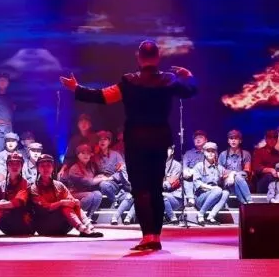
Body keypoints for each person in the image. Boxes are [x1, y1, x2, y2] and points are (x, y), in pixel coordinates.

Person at [61, 39, 198, 251]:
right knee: (155, 188)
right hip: (159, 140)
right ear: (158, 57)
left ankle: (148, 237)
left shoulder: (129, 82)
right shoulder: (168, 80)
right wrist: (188, 75)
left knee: (140, 189)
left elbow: (101, 96)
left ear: (138, 58)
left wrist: (76, 88)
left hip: (136, 141)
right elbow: (190, 91)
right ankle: (155, 237)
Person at [30, 154, 104, 237]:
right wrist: (61, 203)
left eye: (48, 165)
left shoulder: (59, 185)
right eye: (42, 166)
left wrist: (75, 202)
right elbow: (45, 207)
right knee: (64, 205)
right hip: (44, 225)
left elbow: (70, 200)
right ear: (38, 168)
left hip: (62, 225)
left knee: (73, 203)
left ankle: (88, 226)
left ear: (53, 167)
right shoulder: (34, 188)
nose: (45, 168)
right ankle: (83, 229)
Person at [188, 142, 231, 224]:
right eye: (208, 151)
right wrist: (212, 188)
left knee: (226, 193)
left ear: (216, 153)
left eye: (213, 151)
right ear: (204, 152)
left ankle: (211, 216)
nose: (211, 153)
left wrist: (232, 175)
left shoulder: (219, 168)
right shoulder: (199, 166)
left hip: (215, 197)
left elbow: (228, 175)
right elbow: (197, 183)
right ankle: (201, 214)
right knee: (218, 190)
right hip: (201, 197)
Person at [63, 143, 105, 222]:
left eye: (88, 153)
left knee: (98, 194)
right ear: (78, 155)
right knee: (90, 195)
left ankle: (89, 217)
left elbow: (98, 174)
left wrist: (99, 176)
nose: (86, 155)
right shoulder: (74, 168)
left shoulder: (91, 166)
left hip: (85, 192)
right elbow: (89, 182)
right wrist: (102, 179)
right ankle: (76, 214)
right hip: (74, 193)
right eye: (83, 153)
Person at [93, 130, 128, 215]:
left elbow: (122, 170)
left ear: (109, 142)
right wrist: (97, 176)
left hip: (113, 183)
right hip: (100, 181)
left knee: (104, 185)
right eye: (100, 140)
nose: (102, 141)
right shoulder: (94, 157)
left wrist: (111, 178)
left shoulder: (116, 155)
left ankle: (115, 201)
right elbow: (91, 172)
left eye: (105, 139)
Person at [218, 129, 253, 206]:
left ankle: (245, 202)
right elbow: (220, 172)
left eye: (236, 138)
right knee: (232, 182)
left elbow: (247, 171)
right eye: (231, 138)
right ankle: (249, 201)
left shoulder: (246, 154)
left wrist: (234, 174)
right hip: (228, 181)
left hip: (242, 180)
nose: (233, 140)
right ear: (228, 141)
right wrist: (230, 175)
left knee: (238, 178)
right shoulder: (223, 154)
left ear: (240, 141)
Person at [252, 129, 279, 194]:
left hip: (276, 181)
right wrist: (271, 170)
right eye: (270, 138)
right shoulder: (258, 152)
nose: (272, 140)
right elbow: (256, 168)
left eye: (274, 138)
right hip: (262, 182)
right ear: (266, 139)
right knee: (269, 176)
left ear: (277, 140)